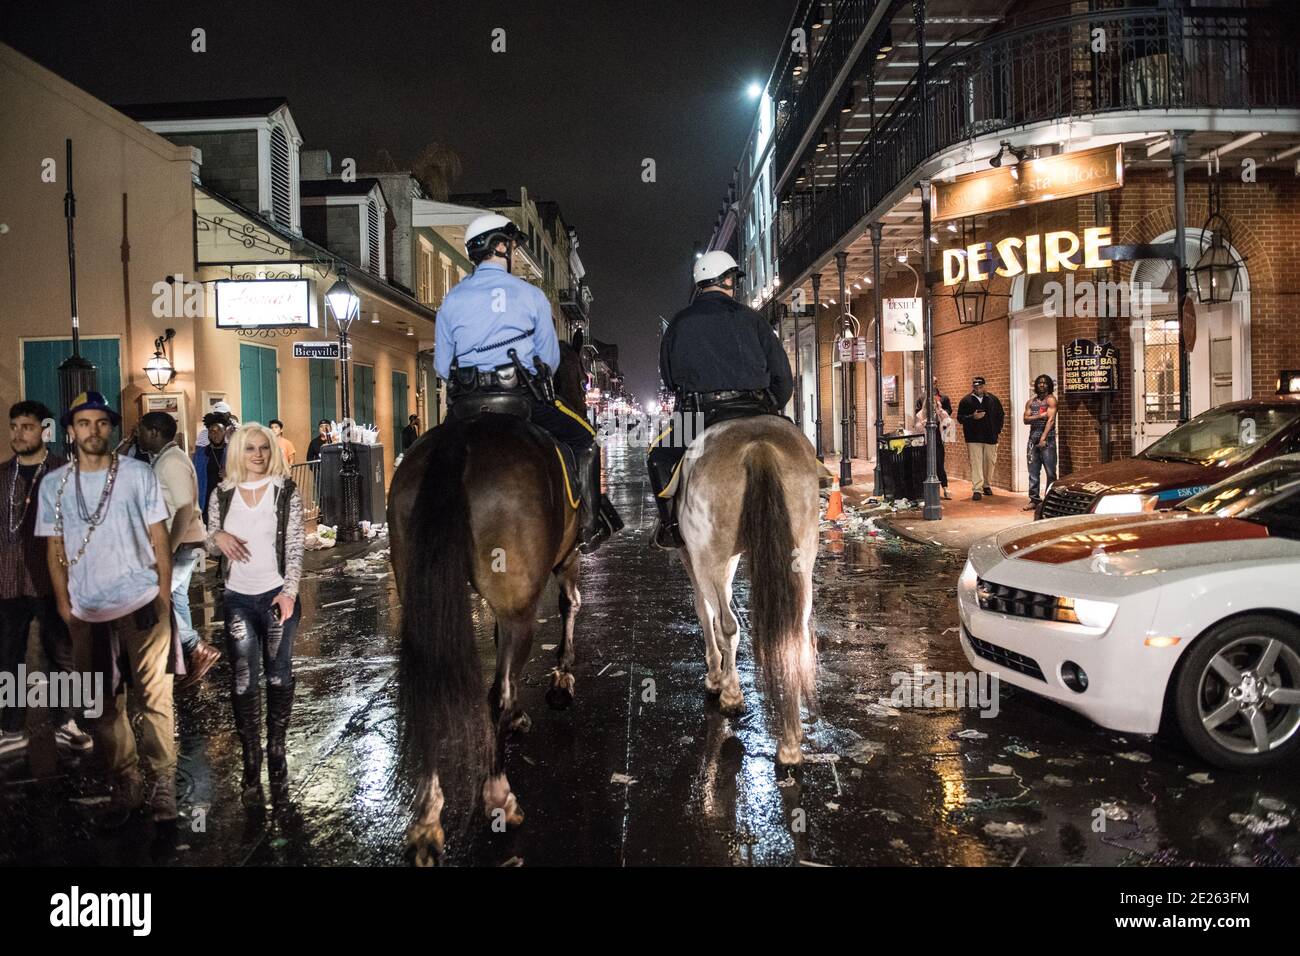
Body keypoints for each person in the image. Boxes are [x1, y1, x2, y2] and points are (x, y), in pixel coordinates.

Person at [435, 212, 622, 552]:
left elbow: (442, 366)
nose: (515, 254)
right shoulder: (532, 297)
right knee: (586, 441)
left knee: (431, 456)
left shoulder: (453, 299)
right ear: (502, 247)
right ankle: (590, 526)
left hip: (466, 409)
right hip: (520, 403)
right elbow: (549, 362)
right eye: (512, 247)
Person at [36, 392, 180, 827]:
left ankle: (163, 787)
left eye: (101, 423)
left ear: (112, 428)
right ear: (71, 430)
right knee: (100, 706)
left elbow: (159, 538)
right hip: (88, 611)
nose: (93, 431)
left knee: (154, 698)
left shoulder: (138, 475)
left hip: (141, 602)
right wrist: (65, 606)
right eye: (84, 423)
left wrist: (163, 594)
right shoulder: (53, 485)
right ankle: (127, 782)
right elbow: (54, 549)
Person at [648, 250, 795, 548]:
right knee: (796, 448)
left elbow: (670, 378)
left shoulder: (678, 323)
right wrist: (771, 407)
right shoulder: (754, 320)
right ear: (728, 280)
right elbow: (783, 378)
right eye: (733, 279)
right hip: (757, 408)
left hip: (699, 414)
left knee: (657, 458)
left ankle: (670, 525)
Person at [205, 422, 304, 807]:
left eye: (264, 448)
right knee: (244, 681)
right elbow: (211, 542)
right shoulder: (222, 494)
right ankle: (251, 757)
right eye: (250, 449)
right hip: (238, 599)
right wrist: (218, 538)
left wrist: (290, 593)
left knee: (279, 675)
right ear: (238, 453)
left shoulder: (286, 492)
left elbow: (295, 546)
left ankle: (276, 747)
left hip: (277, 596)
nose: (258, 455)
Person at [0, 401, 93, 758]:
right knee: (8, 657)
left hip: (53, 579)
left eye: (26, 426)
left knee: (61, 654)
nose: (19, 433)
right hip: (9, 582)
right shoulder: (2, 476)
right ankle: (10, 727)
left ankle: (65, 722)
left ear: (44, 430)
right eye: (14, 426)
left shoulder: (63, 473)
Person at [136, 412, 221, 692]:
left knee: (157, 599)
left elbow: (184, 507)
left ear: (155, 433)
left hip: (181, 542)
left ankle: (196, 648)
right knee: (176, 597)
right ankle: (186, 658)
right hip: (183, 541)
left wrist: (168, 548)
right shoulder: (166, 459)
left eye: (141, 431)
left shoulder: (171, 462)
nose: (137, 435)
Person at [956, 376, 1005, 500]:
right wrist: (972, 417)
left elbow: (1001, 415)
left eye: (980, 386)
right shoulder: (966, 401)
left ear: (984, 386)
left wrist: (997, 430)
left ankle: (986, 485)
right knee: (976, 463)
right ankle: (977, 489)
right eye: (976, 387)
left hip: (991, 436)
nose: (978, 389)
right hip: (973, 437)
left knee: (990, 462)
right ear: (973, 387)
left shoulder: (993, 399)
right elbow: (960, 418)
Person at [1023, 373, 1059, 511]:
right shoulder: (1031, 402)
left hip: (1047, 439)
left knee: (1050, 471)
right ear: (1036, 385)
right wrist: (1040, 416)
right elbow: (1025, 420)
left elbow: (1050, 420)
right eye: (1039, 382)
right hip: (1033, 438)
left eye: (1044, 382)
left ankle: (1050, 500)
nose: (1042, 384)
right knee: (1033, 471)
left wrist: (1043, 437)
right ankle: (1034, 500)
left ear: (1049, 385)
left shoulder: (1051, 400)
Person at [193, 411, 231, 523]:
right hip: (205, 501)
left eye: (219, 430)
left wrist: (230, 474)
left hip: (226, 502)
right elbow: (193, 478)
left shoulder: (232, 452)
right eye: (212, 431)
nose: (215, 434)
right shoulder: (201, 453)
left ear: (225, 431)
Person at [914, 396, 953, 500]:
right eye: (930, 404)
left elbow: (949, 424)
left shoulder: (941, 413)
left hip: (938, 442)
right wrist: (923, 423)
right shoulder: (921, 414)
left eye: (934, 404)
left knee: (940, 465)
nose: (932, 406)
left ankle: (945, 488)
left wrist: (941, 413)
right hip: (925, 443)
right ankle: (924, 490)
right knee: (924, 465)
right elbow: (917, 429)